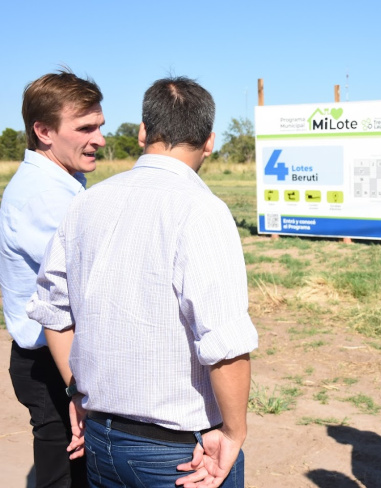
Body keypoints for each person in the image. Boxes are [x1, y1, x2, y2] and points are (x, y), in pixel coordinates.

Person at [27, 76, 259, 488]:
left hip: (101, 439)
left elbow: (53, 312)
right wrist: (233, 432)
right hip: (179, 453)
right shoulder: (202, 210)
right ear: (209, 142)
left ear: (142, 133)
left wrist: (77, 392)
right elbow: (225, 342)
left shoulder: (85, 203)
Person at [0, 70, 105, 487]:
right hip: (52, 365)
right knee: (64, 477)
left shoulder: (62, 184)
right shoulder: (44, 197)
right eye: (85, 128)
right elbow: (84, 288)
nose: (99, 139)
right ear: (43, 131)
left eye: (99, 126)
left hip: (60, 357)